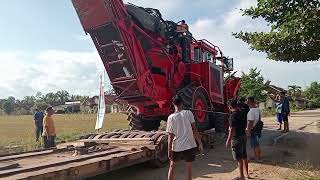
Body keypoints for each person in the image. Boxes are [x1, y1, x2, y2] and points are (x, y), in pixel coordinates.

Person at [166, 95, 203, 180]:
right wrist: (200, 143)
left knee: (172, 167)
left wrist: (169, 150)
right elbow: (195, 130)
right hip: (189, 144)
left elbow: (170, 136)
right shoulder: (188, 113)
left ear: (173, 104)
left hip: (177, 146)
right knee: (189, 167)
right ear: (182, 103)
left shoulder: (171, 117)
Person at [226, 99, 249, 180]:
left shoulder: (232, 116)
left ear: (230, 107)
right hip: (243, 136)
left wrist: (228, 140)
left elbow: (232, 130)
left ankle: (242, 176)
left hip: (236, 138)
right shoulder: (243, 113)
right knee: (244, 156)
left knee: (239, 159)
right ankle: (247, 174)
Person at [246, 96, 262, 162]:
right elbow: (259, 119)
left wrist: (248, 130)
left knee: (255, 144)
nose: (246, 102)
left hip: (252, 129)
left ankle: (258, 158)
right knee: (255, 144)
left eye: (247, 101)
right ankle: (256, 156)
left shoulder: (251, 111)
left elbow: (250, 122)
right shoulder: (257, 109)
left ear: (249, 102)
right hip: (257, 128)